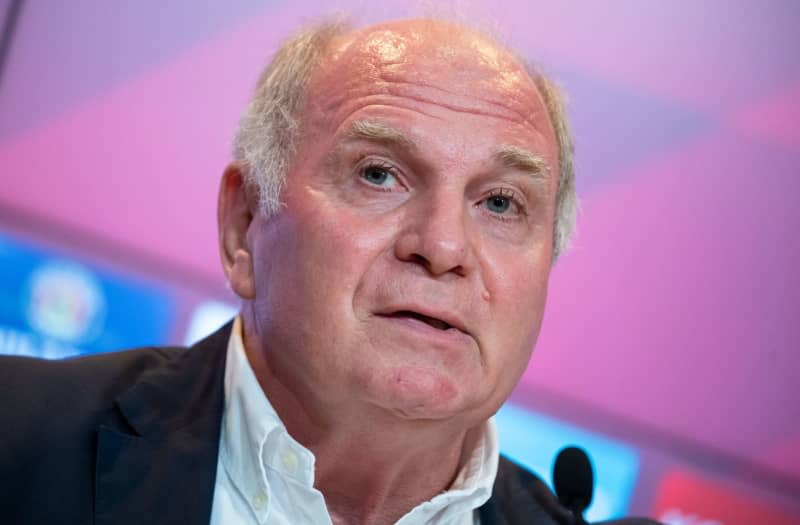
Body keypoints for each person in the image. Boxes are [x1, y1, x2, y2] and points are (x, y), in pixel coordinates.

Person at [0, 16, 661, 525]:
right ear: (244, 225)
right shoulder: (17, 440)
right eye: (380, 174)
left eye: (500, 203)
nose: (443, 246)